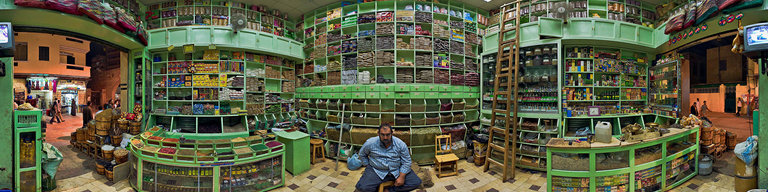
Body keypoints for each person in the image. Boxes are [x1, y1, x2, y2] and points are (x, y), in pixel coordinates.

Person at [355, 123, 422, 192]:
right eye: (382, 135)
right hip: (377, 170)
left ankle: (389, 190)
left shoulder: (400, 144)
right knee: (362, 187)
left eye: (388, 135)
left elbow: (407, 161)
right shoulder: (370, 143)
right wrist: (367, 165)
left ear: (392, 133)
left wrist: (402, 176)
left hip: (397, 170)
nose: (385, 138)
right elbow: (362, 154)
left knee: (416, 182)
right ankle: (377, 188)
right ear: (378, 133)